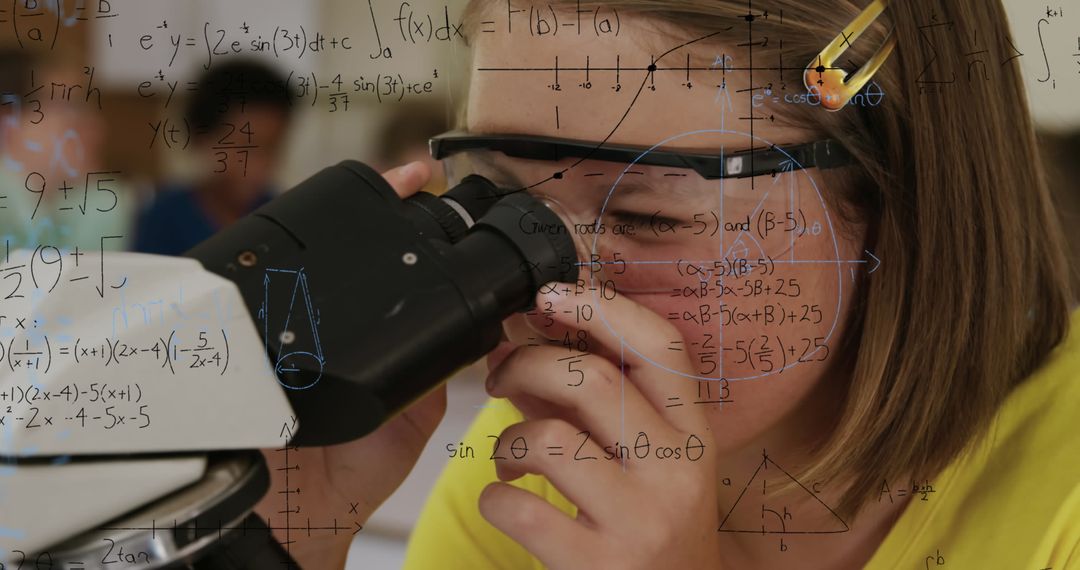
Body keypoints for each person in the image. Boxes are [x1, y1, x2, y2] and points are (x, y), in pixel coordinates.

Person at [262, 1, 1080, 568]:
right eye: (499, 202)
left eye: (649, 218)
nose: (539, 296)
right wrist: (280, 546)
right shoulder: (537, 468)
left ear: (900, 211)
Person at [133, 59, 292, 256]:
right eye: (244, 147)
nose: (256, 165)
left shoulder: (283, 218)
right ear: (201, 138)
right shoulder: (163, 217)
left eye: (270, 148)